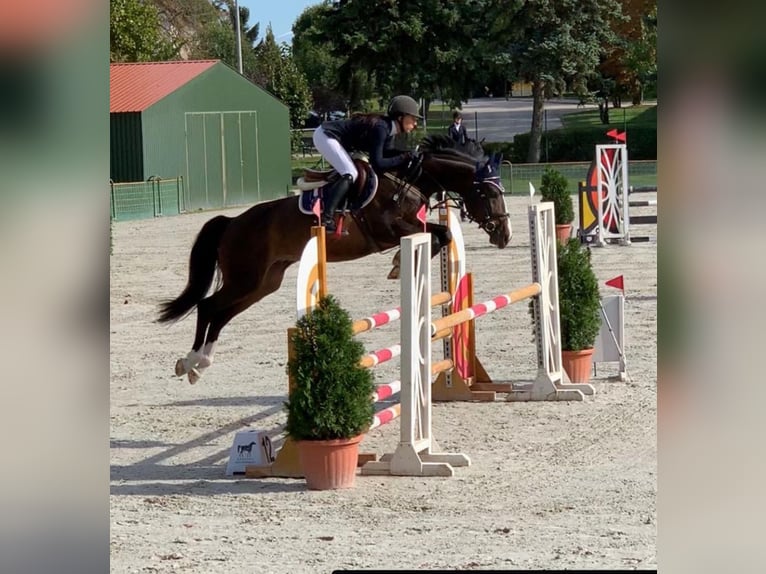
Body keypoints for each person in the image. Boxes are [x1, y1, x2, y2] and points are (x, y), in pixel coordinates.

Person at [312, 95, 423, 233]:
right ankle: (326, 218)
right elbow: (378, 163)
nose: (415, 123)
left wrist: (408, 154)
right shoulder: (381, 129)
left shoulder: (389, 130)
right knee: (350, 172)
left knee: (352, 171)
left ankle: (345, 209)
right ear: (400, 117)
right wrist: (404, 156)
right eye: (413, 118)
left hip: (339, 140)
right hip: (326, 135)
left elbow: (387, 153)